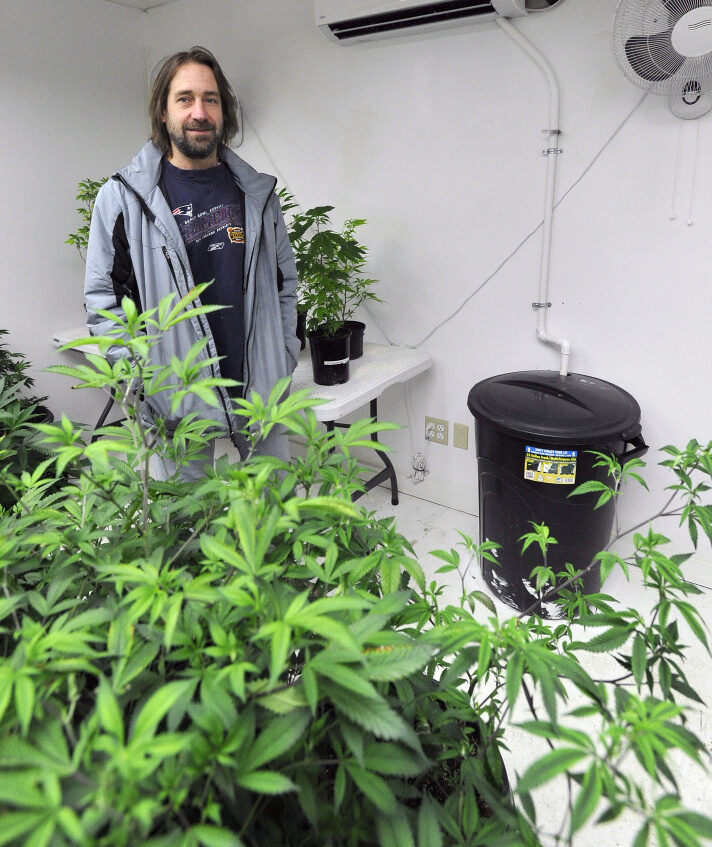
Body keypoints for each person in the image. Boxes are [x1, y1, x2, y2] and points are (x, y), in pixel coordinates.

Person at [84, 46, 300, 478]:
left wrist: (285, 356)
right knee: (182, 531)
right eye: (185, 98)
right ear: (163, 112)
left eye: (211, 99)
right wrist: (141, 388)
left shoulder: (258, 195)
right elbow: (104, 301)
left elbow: (284, 285)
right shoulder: (124, 199)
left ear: (224, 111)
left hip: (258, 390)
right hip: (174, 400)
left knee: (277, 525)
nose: (199, 111)